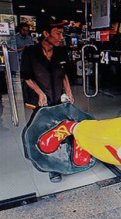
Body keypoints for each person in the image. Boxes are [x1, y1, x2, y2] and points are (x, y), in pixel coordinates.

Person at [21, 18, 74, 183]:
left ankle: (67, 159)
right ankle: (51, 168)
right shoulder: (30, 52)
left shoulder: (61, 51)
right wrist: (39, 93)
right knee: (43, 132)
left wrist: (69, 93)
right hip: (41, 102)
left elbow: (64, 74)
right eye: (58, 33)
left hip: (58, 98)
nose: (61, 37)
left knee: (63, 130)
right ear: (45, 34)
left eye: (62, 33)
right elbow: (26, 77)